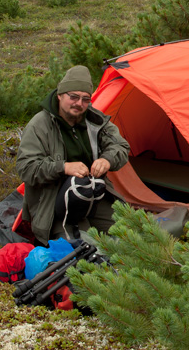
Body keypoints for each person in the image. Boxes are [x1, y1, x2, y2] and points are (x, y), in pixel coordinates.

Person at [16, 65, 130, 245]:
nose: (79, 103)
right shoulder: (40, 125)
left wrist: (107, 160)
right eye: (73, 97)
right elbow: (26, 168)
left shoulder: (95, 120)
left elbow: (121, 146)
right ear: (60, 95)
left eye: (85, 99)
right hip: (53, 203)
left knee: (130, 235)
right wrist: (63, 167)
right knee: (83, 248)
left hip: (93, 195)